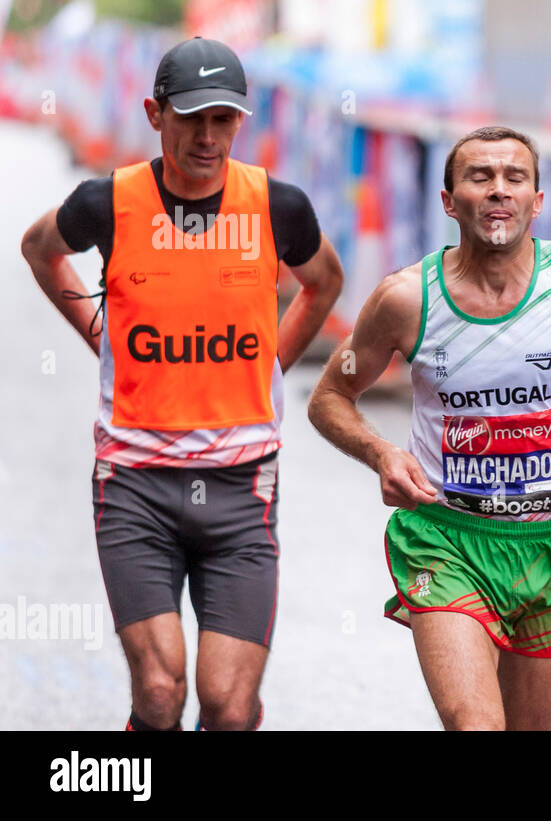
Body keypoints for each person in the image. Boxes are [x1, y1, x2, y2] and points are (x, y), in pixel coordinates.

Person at [307, 126, 551, 731]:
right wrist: (380, 452)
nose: (497, 191)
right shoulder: (405, 300)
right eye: (479, 177)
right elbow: (330, 397)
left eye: (515, 178)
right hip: (445, 538)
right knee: (475, 725)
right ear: (448, 198)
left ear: (538, 201)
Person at [19, 37, 343, 730]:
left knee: (227, 705)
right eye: (191, 117)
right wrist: (95, 332)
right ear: (154, 113)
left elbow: (324, 283)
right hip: (135, 482)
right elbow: (40, 250)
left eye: (223, 118)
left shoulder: (277, 206)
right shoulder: (106, 202)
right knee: (161, 692)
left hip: (240, 485)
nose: (207, 135)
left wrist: (271, 363)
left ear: (240, 121)